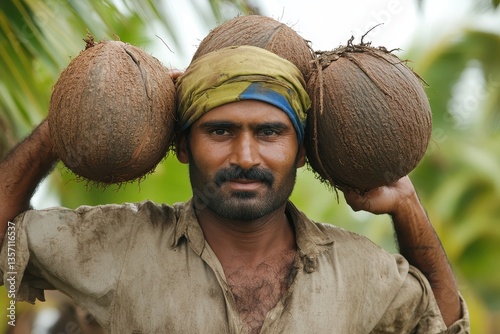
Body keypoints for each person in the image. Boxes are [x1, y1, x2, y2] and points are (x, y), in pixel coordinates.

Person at [0, 45, 469, 333]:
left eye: (269, 133)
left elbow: (446, 328)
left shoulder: (359, 269)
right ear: (182, 145)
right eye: (220, 131)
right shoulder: (120, 245)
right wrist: (61, 128)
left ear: (302, 151)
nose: (246, 157)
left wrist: (407, 207)